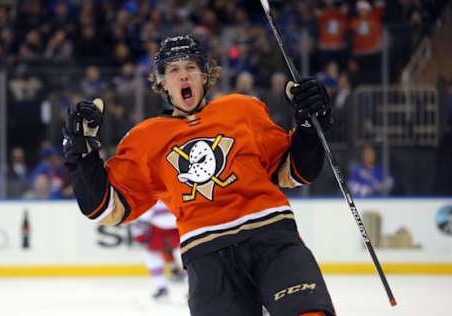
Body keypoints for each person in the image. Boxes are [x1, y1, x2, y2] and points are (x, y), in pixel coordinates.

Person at [63, 34, 335, 316]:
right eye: (173, 70)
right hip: (207, 256)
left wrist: (309, 127)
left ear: (205, 76)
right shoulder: (144, 139)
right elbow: (105, 209)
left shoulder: (243, 109)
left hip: (273, 238)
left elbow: (297, 172)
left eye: (191, 67)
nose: (183, 76)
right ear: (162, 83)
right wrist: (83, 155)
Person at [130, 200, 185, 300]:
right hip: (167, 229)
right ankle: (162, 287)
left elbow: (140, 221)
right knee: (152, 257)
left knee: (183, 258)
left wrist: (139, 236)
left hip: (176, 228)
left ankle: (188, 288)